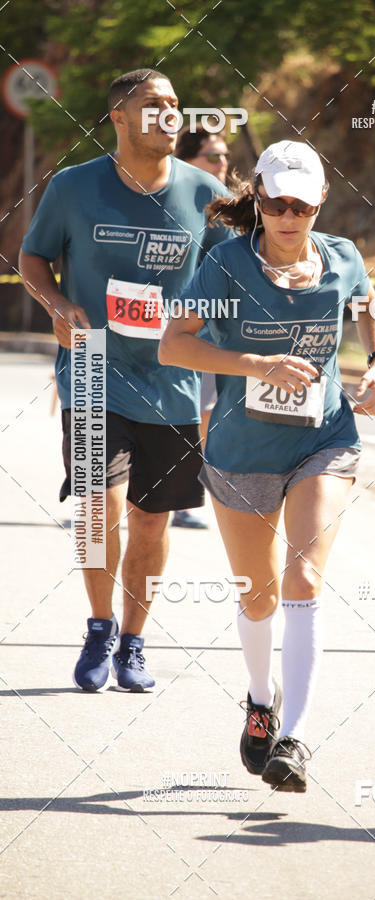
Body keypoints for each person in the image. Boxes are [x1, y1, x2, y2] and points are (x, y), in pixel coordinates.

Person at [159, 140, 375, 791]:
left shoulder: (341, 256)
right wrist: (255, 365)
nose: (289, 216)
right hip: (241, 450)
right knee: (256, 593)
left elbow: (369, 305)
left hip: (325, 440)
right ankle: (262, 702)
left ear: (320, 205)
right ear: (258, 200)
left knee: (304, 578)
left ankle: (297, 739)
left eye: (302, 205)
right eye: (277, 203)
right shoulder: (227, 264)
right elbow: (175, 346)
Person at [19, 68, 231, 692]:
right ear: (118, 116)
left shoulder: (203, 192)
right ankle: (98, 625)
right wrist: (59, 307)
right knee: (97, 507)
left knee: (150, 520)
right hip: (91, 370)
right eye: (152, 105)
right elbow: (32, 258)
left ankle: (134, 640)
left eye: (175, 104)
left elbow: (234, 270)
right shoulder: (73, 187)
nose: (169, 115)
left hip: (172, 384)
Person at [171, 128, 230, 529]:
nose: (221, 163)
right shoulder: (172, 201)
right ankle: (162, 492)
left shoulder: (225, 208)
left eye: (224, 155)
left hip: (209, 333)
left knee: (203, 415)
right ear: (188, 160)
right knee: (172, 411)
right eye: (212, 156)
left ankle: (182, 497)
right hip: (166, 329)